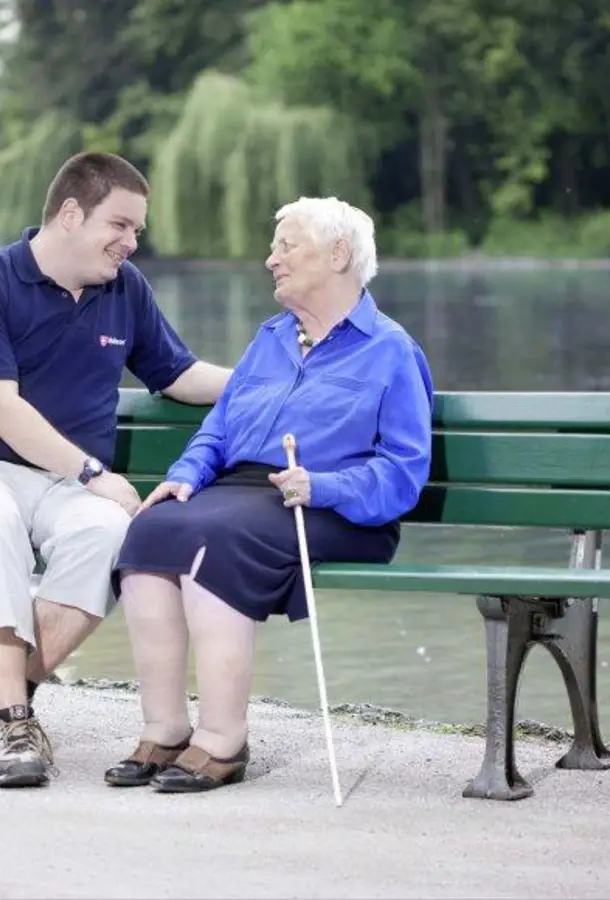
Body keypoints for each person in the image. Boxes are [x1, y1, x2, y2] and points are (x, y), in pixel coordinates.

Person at [0, 152, 230, 789]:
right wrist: (91, 473)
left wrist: (269, 384)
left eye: (137, 230)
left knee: (113, 533)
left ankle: (8, 707)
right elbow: (0, 407)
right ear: (69, 214)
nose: (131, 243)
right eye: (120, 225)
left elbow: (180, 375)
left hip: (64, 489)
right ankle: (13, 722)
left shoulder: (125, 289)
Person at [104, 196, 435, 793]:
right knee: (149, 531)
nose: (270, 259)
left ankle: (223, 741)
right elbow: (219, 428)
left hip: (337, 510)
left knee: (218, 537)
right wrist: (186, 474)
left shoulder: (390, 350)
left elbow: (403, 474)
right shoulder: (271, 339)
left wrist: (323, 485)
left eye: (287, 246)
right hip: (242, 494)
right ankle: (166, 727)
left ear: (339, 255)